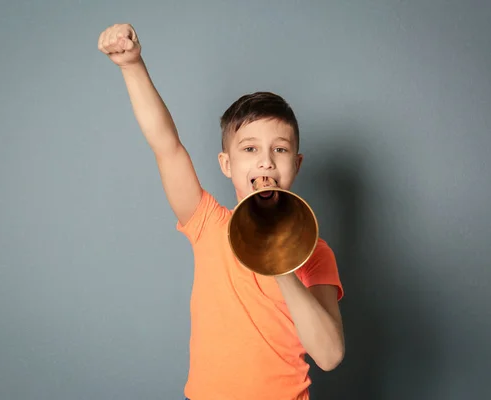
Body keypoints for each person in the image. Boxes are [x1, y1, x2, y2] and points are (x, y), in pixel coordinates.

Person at [98, 23, 345, 400]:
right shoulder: (208, 225)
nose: (265, 162)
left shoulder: (316, 253)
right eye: (249, 149)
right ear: (226, 164)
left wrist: (279, 261)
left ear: (296, 164)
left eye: (278, 150)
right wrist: (132, 65)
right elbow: (167, 147)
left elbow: (328, 355)